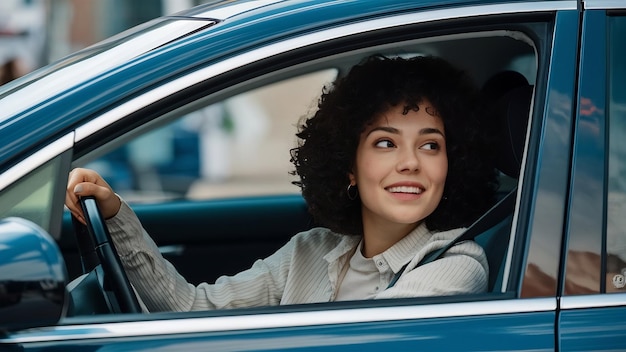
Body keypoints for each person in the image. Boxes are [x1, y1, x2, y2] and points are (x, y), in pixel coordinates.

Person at [66, 55, 498, 312]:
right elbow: (193, 308)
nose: (410, 163)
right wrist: (115, 215)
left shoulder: (455, 264)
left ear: (451, 163)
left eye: (430, 146)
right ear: (349, 165)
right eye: (385, 142)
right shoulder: (311, 251)